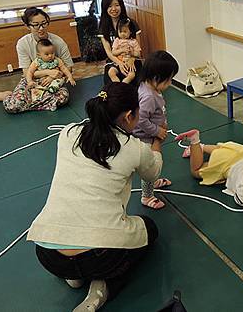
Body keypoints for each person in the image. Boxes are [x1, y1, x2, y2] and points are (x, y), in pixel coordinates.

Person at [27, 82, 164, 311]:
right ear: (129, 116)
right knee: (149, 229)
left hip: (48, 255)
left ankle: (74, 275)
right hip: (100, 256)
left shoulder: (68, 133)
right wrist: (157, 143)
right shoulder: (134, 148)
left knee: (78, 252)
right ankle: (102, 286)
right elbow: (153, 171)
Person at [0, 7, 74, 113]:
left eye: (44, 23)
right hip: (31, 79)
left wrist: (52, 77)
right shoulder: (23, 43)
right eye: (36, 25)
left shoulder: (58, 42)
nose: (41, 28)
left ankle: (27, 101)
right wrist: (47, 72)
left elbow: (68, 67)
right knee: (13, 106)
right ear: (27, 26)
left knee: (62, 99)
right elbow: (27, 72)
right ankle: (8, 96)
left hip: (55, 79)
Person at [131, 51, 178, 210]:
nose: (170, 83)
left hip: (151, 134)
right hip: (145, 137)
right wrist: (157, 131)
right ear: (156, 78)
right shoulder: (148, 96)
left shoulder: (150, 87)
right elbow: (141, 120)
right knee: (149, 167)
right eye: (169, 79)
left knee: (153, 165)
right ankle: (147, 195)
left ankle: (152, 183)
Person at [175, 129, 243, 206]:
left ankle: (202, 147)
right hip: (226, 164)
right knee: (196, 171)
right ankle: (194, 140)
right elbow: (240, 200)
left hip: (241, 151)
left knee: (221, 149)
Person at [97, 0, 142, 85]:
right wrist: (120, 63)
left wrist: (131, 59)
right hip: (114, 61)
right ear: (105, 8)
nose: (113, 9)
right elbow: (109, 52)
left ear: (121, 5)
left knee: (136, 83)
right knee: (110, 84)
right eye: (109, 6)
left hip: (132, 59)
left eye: (116, 5)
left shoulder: (131, 23)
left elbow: (138, 49)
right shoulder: (103, 27)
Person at [107, 19, 142, 84]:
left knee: (132, 75)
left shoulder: (133, 41)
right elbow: (113, 52)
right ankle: (117, 84)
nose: (122, 34)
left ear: (130, 32)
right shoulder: (117, 40)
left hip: (129, 64)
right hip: (118, 63)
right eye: (120, 31)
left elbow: (138, 54)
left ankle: (123, 84)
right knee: (111, 72)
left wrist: (132, 53)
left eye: (125, 31)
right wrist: (121, 50)